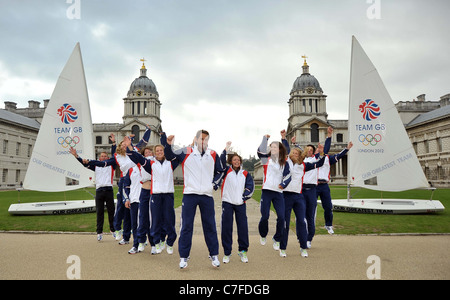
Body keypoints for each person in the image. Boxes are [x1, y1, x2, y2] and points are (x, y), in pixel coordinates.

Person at [162, 130, 224, 269]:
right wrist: (168, 144)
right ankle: (184, 256)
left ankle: (214, 254)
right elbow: (169, 155)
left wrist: (214, 184)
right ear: (195, 139)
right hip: (190, 194)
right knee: (186, 226)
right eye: (201, 139)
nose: (204, 142)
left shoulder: (213, 154)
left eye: (206, 139)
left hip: (207, 195)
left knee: (210, 226)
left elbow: (220, 171)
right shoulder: (185, 152)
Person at [126, 139, 179, 255]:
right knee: (154, 220)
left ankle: (169, 242)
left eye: (161, 150)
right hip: (155, 194)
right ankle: (155, 242)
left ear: (164, 152)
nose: (159, 152)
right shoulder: (151, 163)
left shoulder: (170, 163)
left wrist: (168, 143)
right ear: (154, 153)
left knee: (169, 219)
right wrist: (130, 147)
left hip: (168, 194)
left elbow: (176, 156)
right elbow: (138, 158)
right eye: (157, 151)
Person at [281, 143, 325, 258]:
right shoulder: (286, 163)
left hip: (298, 196)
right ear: (290, 154)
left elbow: (319, 163)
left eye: (297, 153)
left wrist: (321, 153)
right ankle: (282, 247)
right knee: (285, 222)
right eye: (293, 153)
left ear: (300, 156)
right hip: (286, 196)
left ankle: (303, 247)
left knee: (301, 221)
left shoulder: (304, 165)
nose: (295, 155)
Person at [69, 147, 115, 242]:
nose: (103, 157)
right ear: (99, 158)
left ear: (107, 157)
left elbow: (115, 156)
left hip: (109, 190)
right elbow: (84, 163)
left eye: (105, 156)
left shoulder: (111, 165)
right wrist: (76, 156)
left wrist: (114, 144)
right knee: (99, 212)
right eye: (102, 156)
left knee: (111, 212)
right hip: (99, 191)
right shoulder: (96, 166)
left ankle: (113, 230)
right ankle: (99, 232)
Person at [219, 141, 254, 264]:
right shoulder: (226, 171)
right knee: (227, 228)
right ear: (231, 161)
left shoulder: (245, 173)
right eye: (234, 160)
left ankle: (243, 251)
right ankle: (227, 252)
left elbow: (250, 186)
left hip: (240, 204)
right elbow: (221, 161)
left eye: (238, 160)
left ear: (240, 162)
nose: (236, 162)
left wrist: (244, 197)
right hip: (227, 202)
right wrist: (226, 149)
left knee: (243, 228)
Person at [256, 130, 291, 251]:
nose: (273, 148)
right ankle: (263, 234)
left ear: (280, 149)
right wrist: (265, 139)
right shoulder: (266, 160)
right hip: (266, 191)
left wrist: (283, 184)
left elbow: (288, 176)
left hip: (278, 193)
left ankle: (277, 239)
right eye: (272, 147)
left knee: (282, 217)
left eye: (275, 147)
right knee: (265, 216)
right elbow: (260, 151)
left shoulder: (283, 163)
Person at [317, 127, 353, 234]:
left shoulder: (329, 158)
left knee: (328, 207)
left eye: (323, 147)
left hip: (324, 185)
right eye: (320, 148)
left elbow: (340, 155)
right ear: (317, 150)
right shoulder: (314, 158)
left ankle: (328, 225)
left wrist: (347, 148)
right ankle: (309, 225)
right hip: (314, 185)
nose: (322, 149)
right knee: (310, 207)